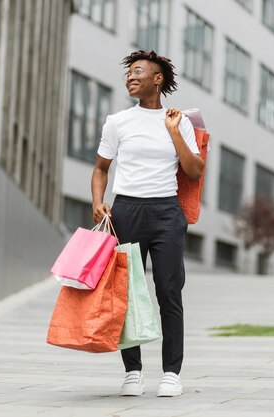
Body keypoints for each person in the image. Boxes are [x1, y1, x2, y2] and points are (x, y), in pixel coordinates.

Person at [91, 50, 204, 397]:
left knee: (169, 291)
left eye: (138, 71)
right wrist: (98, 201)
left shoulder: (179, 120)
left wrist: (174, 132)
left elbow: (195, 170)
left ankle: (172, 372)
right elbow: (101, 169)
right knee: (126, 295)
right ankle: (133, 372)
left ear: (158, 79)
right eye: (129, 73)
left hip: (167, 213)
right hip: (126, 211)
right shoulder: (118, 122)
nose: (131, 77)